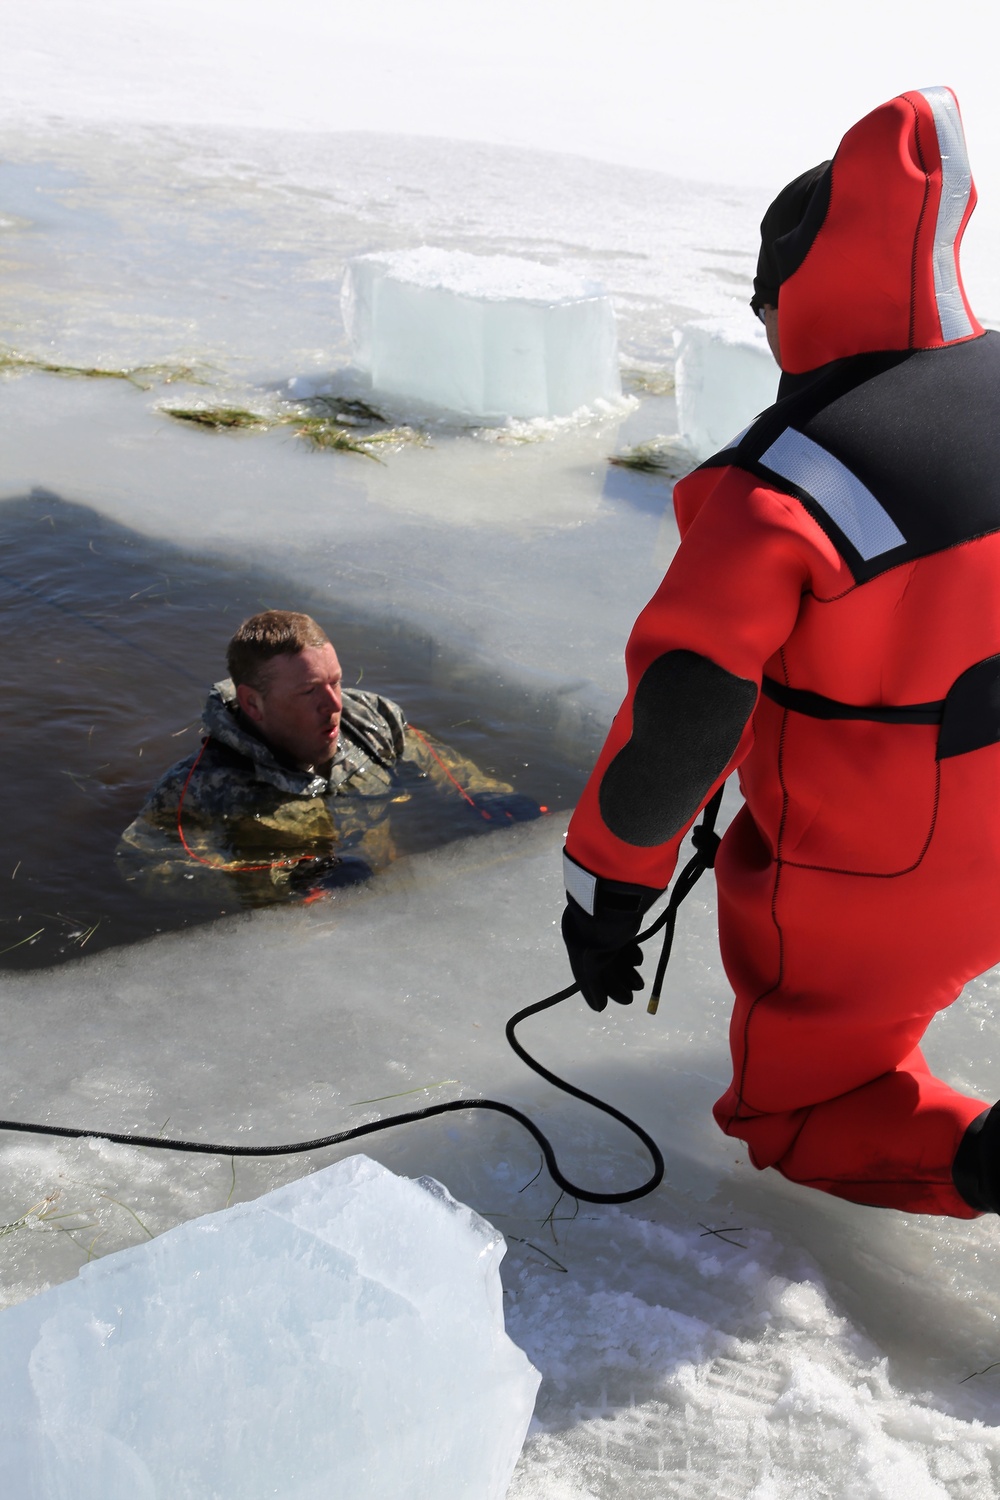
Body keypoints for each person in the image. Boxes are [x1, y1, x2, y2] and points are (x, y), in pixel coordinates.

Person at [560, 86, 1000, 1219]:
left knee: (805, 1110)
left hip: (891, 860)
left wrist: (608, 891)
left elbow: (689, 712)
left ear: (787, 297)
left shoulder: (784, 484)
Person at [119, 610, 541, 904]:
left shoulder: (373, 725)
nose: (334, 704)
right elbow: (145, 863)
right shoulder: (200, 786)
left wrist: (489, 798)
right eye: (308, 692)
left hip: (391, 895)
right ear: (253, 704)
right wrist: (289, 878)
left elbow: (446, 768)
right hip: (307, 934)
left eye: (335, 682)